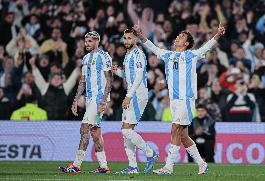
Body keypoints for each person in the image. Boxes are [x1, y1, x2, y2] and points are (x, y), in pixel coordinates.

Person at [133, 22, 225, 174]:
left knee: (175, 128)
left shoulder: (191, 55)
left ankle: (169, 167)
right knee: (183, 135)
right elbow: (152, 47)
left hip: (186, 99)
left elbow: (206, 47)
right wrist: (139, 34)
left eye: (181, 36)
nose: (177, 37)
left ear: (186, 43)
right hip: (174, 100)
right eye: (178, 35)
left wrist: (218, 35)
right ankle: (202, 163)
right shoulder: (168, 55)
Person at [59, 31, 112, 174]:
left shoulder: (104, 56)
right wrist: (75, 100)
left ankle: (76, 165)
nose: (86, 44)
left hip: (98, 98)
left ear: (97, 42)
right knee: (95, 132)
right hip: (89, 99)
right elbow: (82, 81)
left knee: (84, 128)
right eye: (85, 41)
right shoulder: (85, 58)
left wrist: (103, 100)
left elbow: (109, 80)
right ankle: (103, 166)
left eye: (89, 41)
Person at [111, 28, 158, 174]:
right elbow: (128, 75)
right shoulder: (128, 54)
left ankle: (150, 153)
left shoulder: (138, 54)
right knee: (126, 132)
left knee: (126, 130)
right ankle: (132, 166)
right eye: (124, 38)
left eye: (129, 38)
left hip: (138, 95)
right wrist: (117, 72)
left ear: (135, 39)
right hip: (132, 93)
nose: (126, 41)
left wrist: (129, 96)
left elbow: (138, 77)